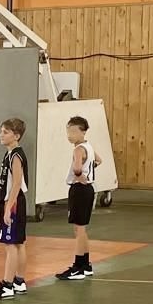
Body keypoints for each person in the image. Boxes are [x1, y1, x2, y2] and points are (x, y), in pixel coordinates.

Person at [0, 119, 30, 300]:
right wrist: (1, 207)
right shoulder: (10, 154)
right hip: (12, 202)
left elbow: (17, 183)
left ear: (16, 136)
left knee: (11, 244)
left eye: (5, 132)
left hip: (14, 203)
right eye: (1, 131)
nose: (1, 135)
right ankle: (19, 281)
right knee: (19, 243)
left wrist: (8, 208)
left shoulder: (16, 156)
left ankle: (7, 285)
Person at [57, 117, 103, 281]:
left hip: (79, 189)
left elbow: (77, 168)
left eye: (73, 131)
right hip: (88, 189)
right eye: (68, 131)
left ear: (83, 131)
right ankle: (85, 264)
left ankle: (78, 267)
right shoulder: (88, 146)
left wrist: (81, 176)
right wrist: (88, 173)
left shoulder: (78, 150)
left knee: (79, 230)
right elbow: (98, 160)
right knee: (81, 229)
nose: (70, 135)